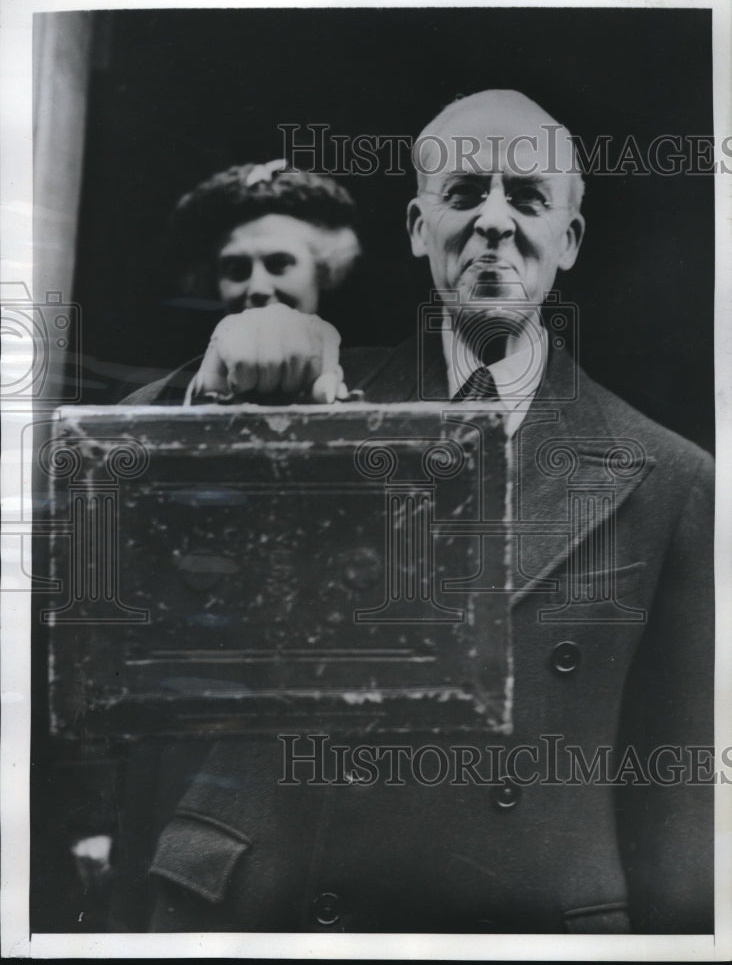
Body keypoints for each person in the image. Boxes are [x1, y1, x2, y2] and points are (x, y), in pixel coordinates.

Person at [127, 91, 714, 934]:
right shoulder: (313, 396)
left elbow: (678, 815)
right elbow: (101, 510)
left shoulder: (673, 478)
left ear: (570, 241)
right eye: (466, 193)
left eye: (529, 198)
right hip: (277, 909)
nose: (496, 223)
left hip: (520, 929)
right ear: (417, 226)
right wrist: (206, 387)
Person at [122, 159, 361, 407]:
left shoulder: (387, 380)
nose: (258, 287)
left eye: (279, 263)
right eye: (237, 268)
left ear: (322, 271)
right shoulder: (150, 397)